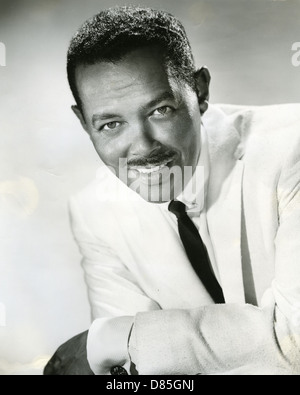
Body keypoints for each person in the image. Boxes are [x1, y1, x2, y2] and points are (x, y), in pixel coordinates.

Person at [44, 6, 300, 375]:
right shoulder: (95, 213)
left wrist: (111, 339)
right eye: (111, 124)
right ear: (83, 122)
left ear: (200, 90)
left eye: (160, 110)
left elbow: (294, 343)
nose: (142, 147)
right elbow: (134, 376)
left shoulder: (292, 151)